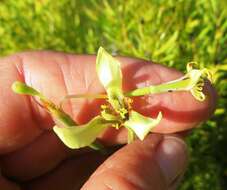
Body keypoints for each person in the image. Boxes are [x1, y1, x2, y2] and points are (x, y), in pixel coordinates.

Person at [0, 51, 216, 190]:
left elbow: (110, 72)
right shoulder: (111, 119)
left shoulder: (131, 117)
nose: (118, 105)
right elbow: (73, 137)